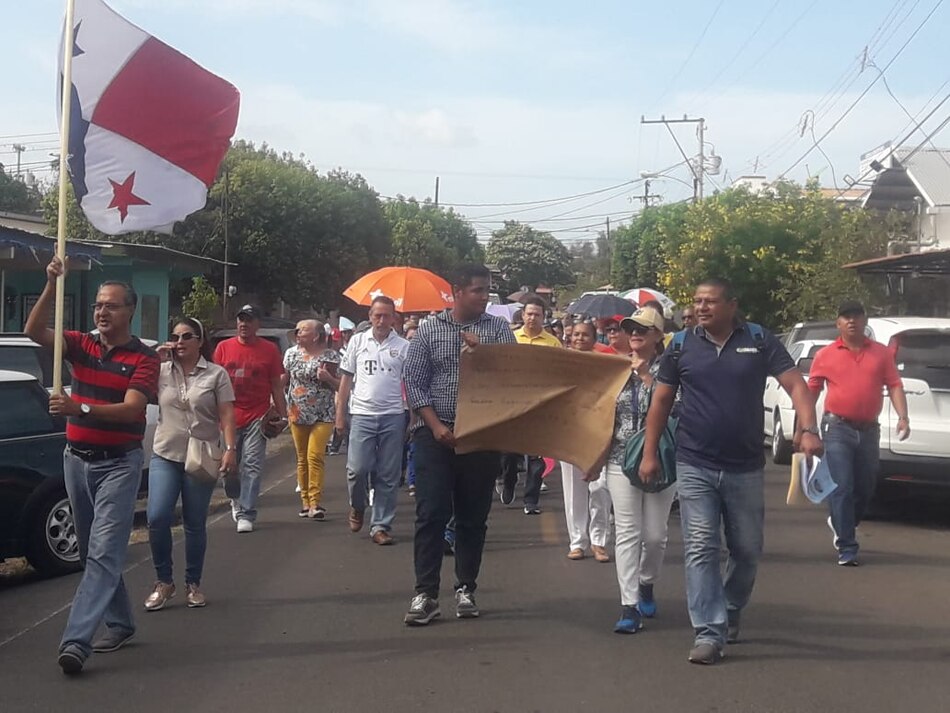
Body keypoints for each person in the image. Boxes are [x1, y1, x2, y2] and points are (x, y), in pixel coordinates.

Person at [639, 278, 822, 665]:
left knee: (747, 549)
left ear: (731, 305)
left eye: (710, 301)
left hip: (745, 467)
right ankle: (708, 631)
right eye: (697, 301)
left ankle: (731, 607)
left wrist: (808, 428)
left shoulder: (758, 339)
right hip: (695, 462)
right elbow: (661, 400)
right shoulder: (682, 345)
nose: (701, 307)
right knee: (701, 547)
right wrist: (649, 453)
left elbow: (796, 385)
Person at [26, 256, 160, 675]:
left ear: (130, 311)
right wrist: (51, 284)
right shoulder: (81, 344)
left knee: (103, 553)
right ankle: (120, 622)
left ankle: (75, 641)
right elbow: (34, 332)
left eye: (111, 306)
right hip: (76, 462)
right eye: (98, 305)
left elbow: (132, 410)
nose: (102, 312)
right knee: (91, 552)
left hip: (118, 465)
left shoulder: (144, 358)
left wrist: (79, 408)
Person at [402, 263, 516, 625]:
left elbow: (514, 377)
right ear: (458, 292)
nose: (484, 297)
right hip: (435, 434)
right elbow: (414, 381)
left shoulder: (498, 330)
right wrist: (435, 426)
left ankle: (466, 587)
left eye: (487, 291)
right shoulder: (429, 330)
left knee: (472, 517)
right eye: (478, 290)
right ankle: (426, 594)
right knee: (431, 513)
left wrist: (484, 355)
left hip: (480, 435)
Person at [145, 318, 237, 611]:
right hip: (165, 452)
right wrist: (154, 360)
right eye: (175, 336)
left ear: (200, 341)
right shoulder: (161, 371)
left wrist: (230, 449)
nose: (180, 342)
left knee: (194, 523)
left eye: (187, 336)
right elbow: (136, 389)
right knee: (157, 517)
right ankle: (164, 581)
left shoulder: (216, 374)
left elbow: (227, 414)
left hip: (201, 456)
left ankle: (192, 583)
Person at [807, 300, 909, 567]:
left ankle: (842, 522)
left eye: (856, 316)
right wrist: (804, 428)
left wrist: (903, 417)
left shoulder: (881, 353)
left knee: (865, 487)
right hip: (837, 428)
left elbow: (894, 385)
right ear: (838, 323)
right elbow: (812, 390)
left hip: (869, 430)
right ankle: (847, 547)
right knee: (842, 485)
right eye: (846, 317)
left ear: (865, 321)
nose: (851, 321)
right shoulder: (825, 354)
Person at [597, 307, 678, 634]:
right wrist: (592, 457)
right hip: (620, 458)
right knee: (628, 532)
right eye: (630, 328)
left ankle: (647, 582)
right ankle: (628, 605)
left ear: (658, 335)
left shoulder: (672, 369)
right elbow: (599, 414)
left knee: (655, 536)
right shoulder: (615, 368)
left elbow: (677, 406)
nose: (634, 334)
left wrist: (646, 377)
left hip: (660, 459)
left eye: (643, 329)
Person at [336, 296, 410, 546]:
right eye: (377, 315)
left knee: (388, 475)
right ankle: (357, 506)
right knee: (357, 469)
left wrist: (412, 416)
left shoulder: (403, 346)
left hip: (393, 415)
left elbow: (410, 384)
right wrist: (340, 415)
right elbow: (346, 381)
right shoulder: (357, 341)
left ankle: (380, 525)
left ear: (393, 318)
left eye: (386, 316)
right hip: (362, 414)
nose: (381, 320)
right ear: (370, 317)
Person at [214, 305, 288, 533]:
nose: (244, 324)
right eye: (241, 320)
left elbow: (276, 385)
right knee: (229, 468)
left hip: (258, 415)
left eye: (248, 320)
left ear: (257, 324)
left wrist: (283, 415)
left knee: (252, 464)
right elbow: (213, 383)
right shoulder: (223, 348)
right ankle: (235, 498)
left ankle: (247, 512)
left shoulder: (269, 350)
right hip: (228, 416)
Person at [501, 296, 562, 513]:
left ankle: (531, 500)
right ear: (523, 315)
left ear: (544, 317)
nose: (532, 318)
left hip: (540, 405)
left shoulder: (553, 343)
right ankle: (509, 481)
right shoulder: (511, 338)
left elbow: (559, 373)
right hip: (513, 403)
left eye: (537, 314)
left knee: (537, 456)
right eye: (529, 314)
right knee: (509, 453)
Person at [559, 319, 612, 562]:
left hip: (598, 433)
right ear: (570, 338)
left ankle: (599, 541)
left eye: (585, 335)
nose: (580, 338)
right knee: (574, 491)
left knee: (600, 488)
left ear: (594, 339)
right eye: (576, 334)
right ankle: (577, 542)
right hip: (569, 432)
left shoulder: (606, 364)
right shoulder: (562, 363)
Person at [283, 319, 340, 520]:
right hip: (297, 411)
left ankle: (315, 503)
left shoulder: (330, 356)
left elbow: (341, 385)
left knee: (314, 455)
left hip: (323, 413)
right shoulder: (291, 354)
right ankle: (305, 502)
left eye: (303, 330)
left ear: (315, 336)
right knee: (302, 458)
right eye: (297, 330)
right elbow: (284, 379)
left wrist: (328, 378)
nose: (298, 333)